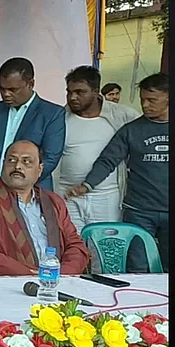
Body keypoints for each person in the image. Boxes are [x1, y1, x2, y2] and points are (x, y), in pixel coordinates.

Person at [67, 73, 169, 273]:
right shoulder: (131, 130)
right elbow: (108, 159)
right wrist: (87, 185)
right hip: (139, 211)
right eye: (142, 100)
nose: (145, 105)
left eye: (152, 100)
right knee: (137, 267)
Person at [0, 141, 89, 276]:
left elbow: (76, 246)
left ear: (40, 169)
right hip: (5, 285)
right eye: (11, 160)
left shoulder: (54, 202)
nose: (17, 166)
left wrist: (61, 274)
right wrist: (32, 274)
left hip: (57, 282)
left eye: (26, 161)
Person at [56, 66, 139, 232]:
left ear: (96, 91)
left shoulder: (123, 116)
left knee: (106, 246)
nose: (72, 97)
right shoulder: (58, 117)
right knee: (72, 247)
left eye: (80, 92)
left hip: (106, 197)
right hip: (66, 195)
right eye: (69, 92)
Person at [0, 57, 65, 191]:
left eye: (13, 89)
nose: (6, 94)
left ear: (31, 84)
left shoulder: (52, 114)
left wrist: (19, 187)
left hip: (32, 192)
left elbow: (50, 158)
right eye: (2, 89)